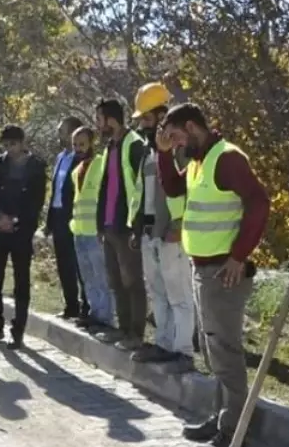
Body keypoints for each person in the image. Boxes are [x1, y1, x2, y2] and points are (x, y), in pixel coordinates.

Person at [157, 103, 269, 447]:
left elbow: (259, 204)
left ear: (192, 127)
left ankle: (234, 433)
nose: (174, 144)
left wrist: (239, 255)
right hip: (203, 268)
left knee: (226, 353)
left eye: (175, 136)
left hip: (224, 271)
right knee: (211, 350)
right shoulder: (198, 160)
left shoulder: (227, 158)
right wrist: (162, 155)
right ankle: (220, 419)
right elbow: (173, 188)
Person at [130, 83, 195, 371]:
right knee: (158, 292)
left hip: (172, 234)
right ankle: (163, 343)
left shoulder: (180, 149)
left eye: (146, 118)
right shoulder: (148, 150)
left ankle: (183, 351)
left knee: (179, 295)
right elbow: (143, 193)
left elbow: (186, 189)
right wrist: (138, 228)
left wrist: (179, 225)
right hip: (149, 232)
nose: (142, 124)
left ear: (161, 114)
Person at [0, 124, 48, 348]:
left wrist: (16, 220)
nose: (9, 149)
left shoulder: (36, 167)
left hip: (21, 231)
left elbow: (36, 200)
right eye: (6, 145)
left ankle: (17, 330)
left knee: (21, 281)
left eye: (13, 144)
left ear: (22, 143)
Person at [95, 97, 149, 352]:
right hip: (109, 226)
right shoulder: (109, 147)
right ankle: (123, 329)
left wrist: (136, 227)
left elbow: (142, 187)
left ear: (111, 119)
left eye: (100, 118)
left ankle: (136, 334)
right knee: (116, 281)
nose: (98, 124)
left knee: (132, 282)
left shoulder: (135, 145)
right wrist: (99, 225)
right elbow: (105, 188)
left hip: (127, 227)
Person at [67, 126, 116, 334]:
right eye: (75, 145)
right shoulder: (75, 171)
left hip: (96, 231)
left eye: (82, 144)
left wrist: (105, 225)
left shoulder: (101, 164)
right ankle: (95, 314)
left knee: (101, 276)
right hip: (79, 231)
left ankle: (106, 318)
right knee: (88, 277)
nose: (78, 148)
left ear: (91, 143)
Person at [44, 116, 89, 320]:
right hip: (58, 216)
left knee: (79, 264)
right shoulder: (61, 157)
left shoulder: (82, 159)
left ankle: (86, 306)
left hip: (74, 216)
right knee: (63, 264)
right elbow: (55, 189)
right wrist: (49, 221)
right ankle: (71, 305)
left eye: (62, 129)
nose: (58, 132)